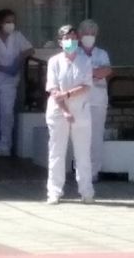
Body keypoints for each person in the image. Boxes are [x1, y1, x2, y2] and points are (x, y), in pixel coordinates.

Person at [45, 24, 94, 205]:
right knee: (56, 152)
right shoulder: (54, 61)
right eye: (67, 38)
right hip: (59, 112)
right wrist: (65, 111)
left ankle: (86, 192)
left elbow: (86, 85)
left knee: (82, 153)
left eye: (74, 37)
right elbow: (53, 89)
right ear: (60, 41)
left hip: (80, 110)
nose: (71, 41)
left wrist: (68, 95)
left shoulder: (84, 60)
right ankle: (54, 192)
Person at [0, 9, 34, 156]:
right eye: (8, 21)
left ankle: (6, 146)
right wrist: (6, 69)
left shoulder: (17, 36)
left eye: (13, 21)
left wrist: (18, 60)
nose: (11, 24)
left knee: (6, 113)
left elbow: (29, 49)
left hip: (9, 82)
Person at [78, 18, 112, 180]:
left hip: (98, 100)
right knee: (80, 136)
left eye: (92, 33)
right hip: (79, 101)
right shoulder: (74, 53)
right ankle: (81, 170)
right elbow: (74, 74)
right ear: (79, 35)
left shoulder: (102, 53)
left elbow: (104, 72)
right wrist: (93, 72)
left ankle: (94, 171)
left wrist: (88, 72)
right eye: (86, 33)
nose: (89, 36)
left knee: (96, 135)